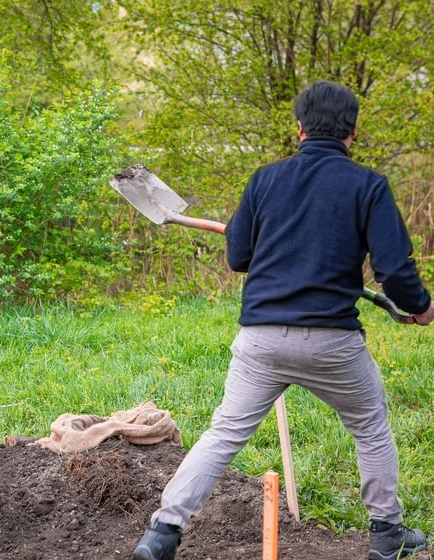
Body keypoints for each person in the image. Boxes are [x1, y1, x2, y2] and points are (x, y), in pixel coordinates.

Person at [132, 80, 434, 560]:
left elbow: (239, 258)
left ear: (299, 129)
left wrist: (246, 235)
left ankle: (163, 531)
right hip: (333, 343)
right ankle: (386, 535)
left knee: (225, 432)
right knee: (371, 428)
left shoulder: (264, 181)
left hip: (261, 342)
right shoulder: (368, 186)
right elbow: (395, 271)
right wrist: (421, 308)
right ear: (352, 132)